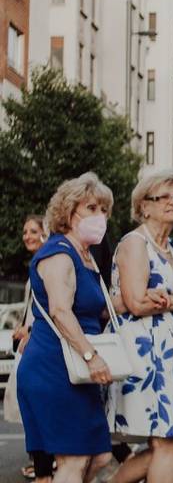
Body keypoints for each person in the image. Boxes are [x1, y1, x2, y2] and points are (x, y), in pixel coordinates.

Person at [105, 170, 173, 483]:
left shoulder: (172, 247)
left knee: (167, 443)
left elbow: (168, 295)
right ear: (144, 206)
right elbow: (137, 302)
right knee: (168, 442)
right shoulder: (134, 244)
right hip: (148, 357)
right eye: (164, 197)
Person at [16, 173, 117, 483]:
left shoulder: (85, 256)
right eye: (91, 208)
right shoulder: (59, 252)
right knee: (73, 460)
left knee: (99, 457)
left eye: (103, 209)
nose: (99, 216)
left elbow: (99, 306)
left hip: (74, 368)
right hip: (55, 366)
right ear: (68, 213)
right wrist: (91, 356)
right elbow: (60, 310)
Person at [4, 215, 56, 482]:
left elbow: (53, 306)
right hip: (32, 341)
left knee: (38, 403)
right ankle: (42, 464)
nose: (27, 236)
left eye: (33, 231)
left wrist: (31, 329)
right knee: (33, 403)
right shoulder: (36, 263)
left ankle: (44, 465)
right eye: (24, 231)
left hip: (42, 342)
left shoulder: (48, 262)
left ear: (45, 233)